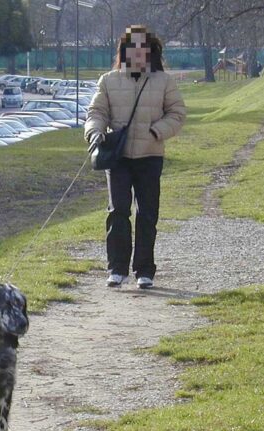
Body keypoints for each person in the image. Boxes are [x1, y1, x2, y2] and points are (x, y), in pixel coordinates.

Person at [84, 25, 186, 289]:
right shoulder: (108, 80)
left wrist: (156, 131)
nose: (138, 52)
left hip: (150, 156)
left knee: (147, 213)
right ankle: (117, 269)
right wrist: (94, 132)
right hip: (117, 157)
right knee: (118, 211)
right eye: (132, 47)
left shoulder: (164, 82)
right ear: (124, 51)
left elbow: (177, 114)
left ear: (150, 51)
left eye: (143, 47)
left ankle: (145, 270)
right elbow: (96, 112)